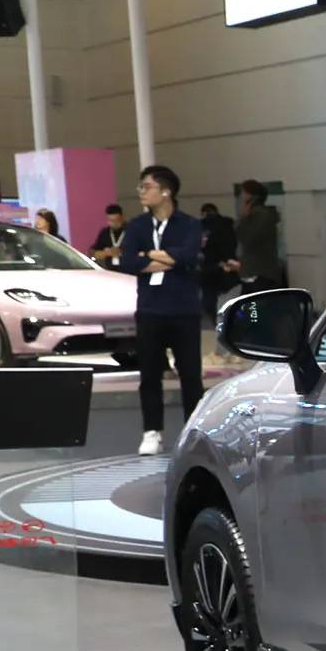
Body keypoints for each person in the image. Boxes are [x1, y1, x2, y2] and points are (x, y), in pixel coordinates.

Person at [116, 165, 205, 456]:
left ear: (166, 192)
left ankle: (193, 430)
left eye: (147, 186)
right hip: (150, 308)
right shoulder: (137, 226)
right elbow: (128, 262)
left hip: (183, 309)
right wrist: (168, 260)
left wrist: (149, 255)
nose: (141, 192)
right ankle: (151, 431)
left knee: (190, 375)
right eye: (141, 186)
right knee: (149, 374)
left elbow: (188, 256)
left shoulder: (189, 224)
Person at [228, 179, 281, 294]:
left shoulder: (263, 217)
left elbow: (247, 239)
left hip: (260, 276)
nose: (241, 197)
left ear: (251, 197)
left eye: (243, 193)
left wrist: (242, 217)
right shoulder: (254, 217)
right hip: (252, 274)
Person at [197, 200, 238, 314]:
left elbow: (203, 247)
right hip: (228, 266)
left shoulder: (204, 227)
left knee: (209, 300)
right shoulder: (228, 226)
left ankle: (216, 320)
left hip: (210, 267)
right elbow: (234, 244)